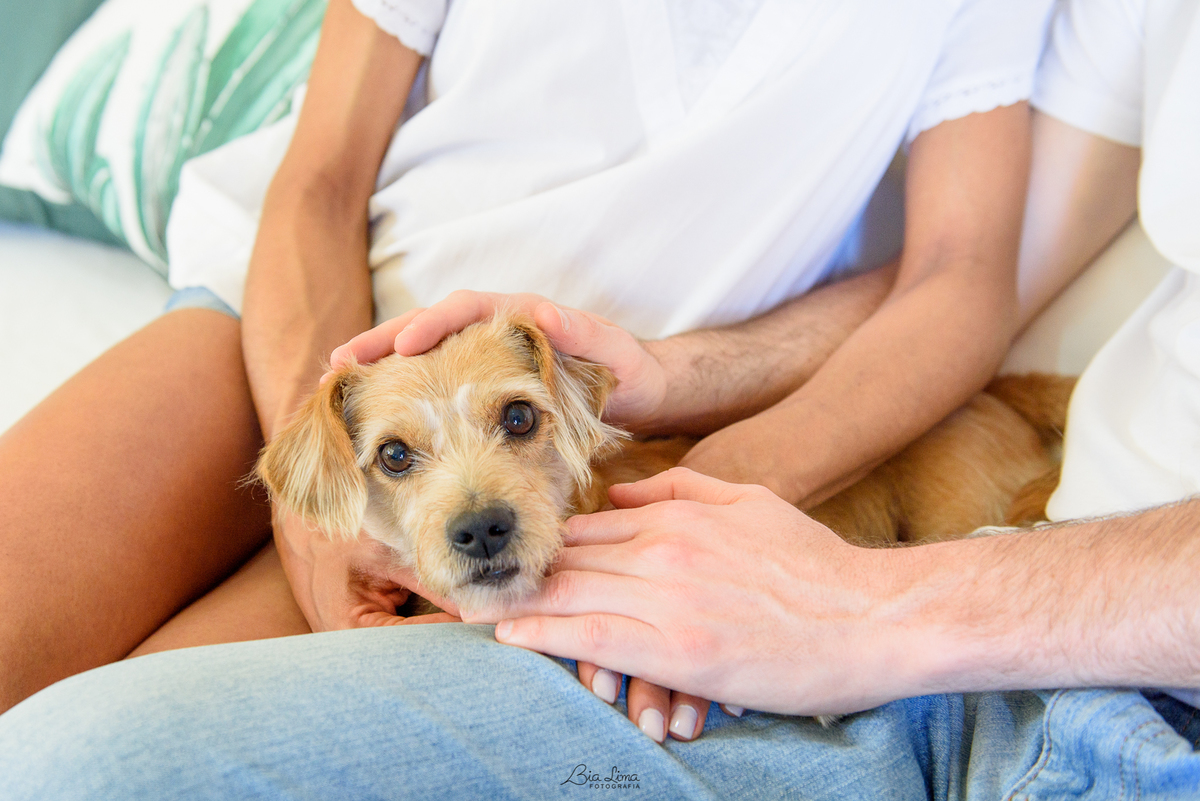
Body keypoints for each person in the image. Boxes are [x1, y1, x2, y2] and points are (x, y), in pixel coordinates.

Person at [8, 0, 1175, 797]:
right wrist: (310, 495)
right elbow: (316, 179)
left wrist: (712, 484)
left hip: (590, 435)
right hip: (307, 348)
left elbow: (956, 280)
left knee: (82, 759)